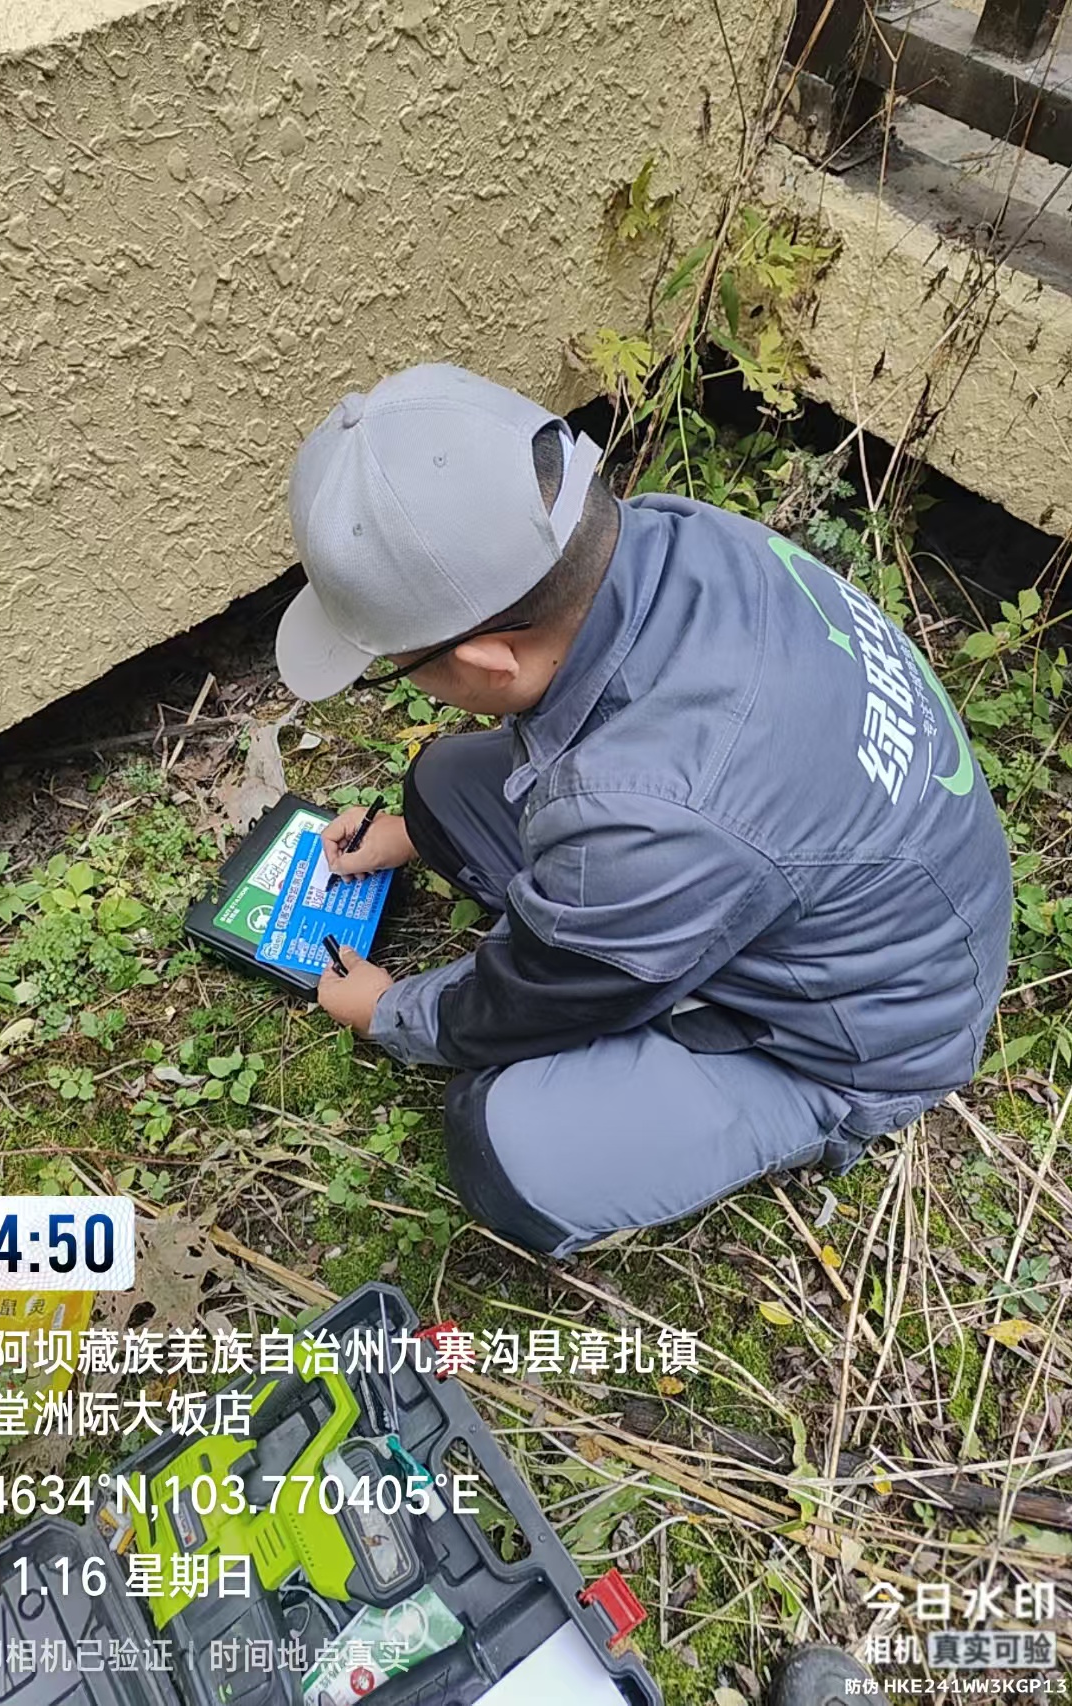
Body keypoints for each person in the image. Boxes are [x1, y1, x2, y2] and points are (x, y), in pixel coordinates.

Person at [275, 364, 1013, 1258]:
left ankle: (802, 1108)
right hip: (833, 867)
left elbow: (541, 997)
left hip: (853, 1029)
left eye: (398, 666)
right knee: (439, 793)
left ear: (486, 660)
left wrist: (392, 1012)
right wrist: (409, 833)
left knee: (499, 1144)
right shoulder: (672, 539)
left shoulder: (651, 811)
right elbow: (587, 714)